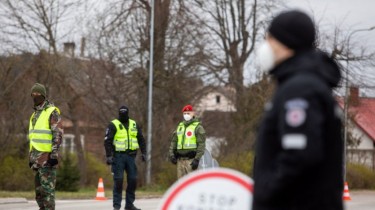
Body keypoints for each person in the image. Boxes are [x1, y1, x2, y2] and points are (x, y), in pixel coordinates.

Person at [253, 10, 343, 210]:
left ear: (285, 42)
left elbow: (300, 154)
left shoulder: (300, 89)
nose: (266, 45)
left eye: (270, 38)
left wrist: (266, 191)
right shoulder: (304, 83)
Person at [28, 83, 63, 210]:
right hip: (36, 159)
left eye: (37, 94)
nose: (35, 96)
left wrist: (54, 155)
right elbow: (33, 139)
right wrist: (31, 158)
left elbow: (57, 134)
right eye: (33, 94)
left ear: (43, 95)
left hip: (47, 159)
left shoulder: (52, 112)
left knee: (47, 193)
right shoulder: (34, 115)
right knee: (39, 194)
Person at [104, 105, 147, 210]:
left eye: (124, 113)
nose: (123, 115)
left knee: (132, 180)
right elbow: (107, 141)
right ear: (119, 114)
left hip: (131, 157)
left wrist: (144, 153)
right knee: (118, 181)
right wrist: (109, 156)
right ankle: (117, 206)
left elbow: (141, 139)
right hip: (118, 157)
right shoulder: (113, 124)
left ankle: (129, 205)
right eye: (121, 113)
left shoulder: (134, 124)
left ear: (128, 113)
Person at [169, 104, 206, 178]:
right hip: (180, 160)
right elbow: (174, 142)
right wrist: (172, 155)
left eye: (188, 113)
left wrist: (197, 159)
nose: (186, 115)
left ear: (193, 113)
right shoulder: (180, 127)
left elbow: (201, 145)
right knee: (181, 184)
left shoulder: (198, 127)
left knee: (192, 184)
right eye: (184, 113)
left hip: (191, 160)